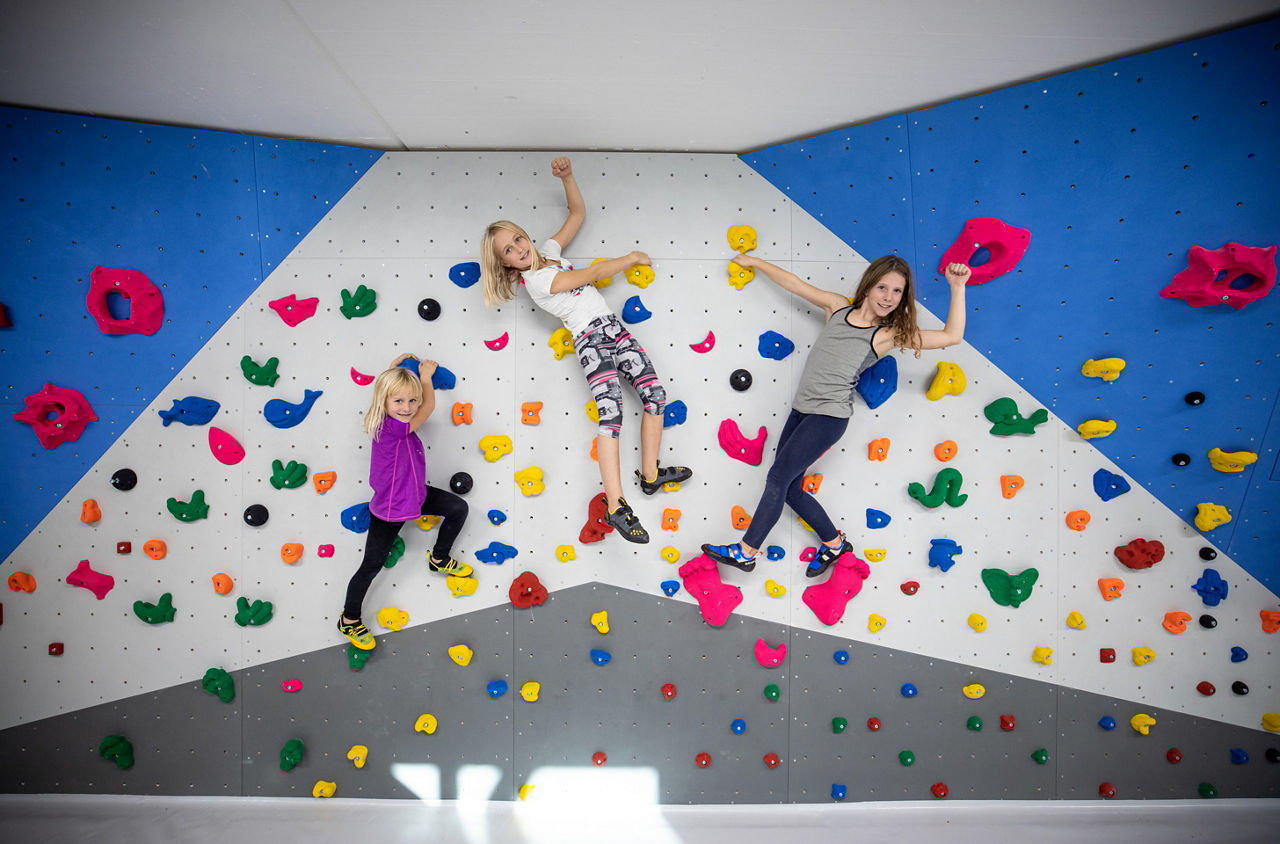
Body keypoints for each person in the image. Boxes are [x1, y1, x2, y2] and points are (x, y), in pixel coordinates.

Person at [702, 253, 972, 577]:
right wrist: (757, 263)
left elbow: (951, 336)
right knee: (788, 489)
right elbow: (795, 284)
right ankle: (834, 543)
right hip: (801, 411)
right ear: (869, 285)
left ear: (903, 298)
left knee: (776, 478)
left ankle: (746, 552)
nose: (888, 297)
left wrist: (957, 287)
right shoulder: (837, 308)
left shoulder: (886, 334)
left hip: (828, 417)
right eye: (883, 287)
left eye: (897, 291)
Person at [480, 157, 691, 543]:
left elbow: (577, 213)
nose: (518, 249)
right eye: (508, 251)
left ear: (526, 237)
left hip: (614, 328)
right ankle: (616, 506)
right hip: (591, 340)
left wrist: (568, 177)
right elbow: (591, 274)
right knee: (611, 417)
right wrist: (629, 258)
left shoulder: (549, 252)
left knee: (655, 397)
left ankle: (650, 475)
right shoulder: (538, 283)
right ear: (505, 264)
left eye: (517, 240)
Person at [337, 354, 473, 650]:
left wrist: (394, 369)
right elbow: (429, 406)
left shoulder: (394, 418)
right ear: (384, 403)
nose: (408, 408)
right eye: (399, 402)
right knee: (370, 566)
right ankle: (349, 620)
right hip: (390, 510)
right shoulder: (390, 428)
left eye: (412, 401)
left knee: (458, 509)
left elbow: (395, 394)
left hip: (415, 496)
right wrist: (425, 375)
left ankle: (439, 558)